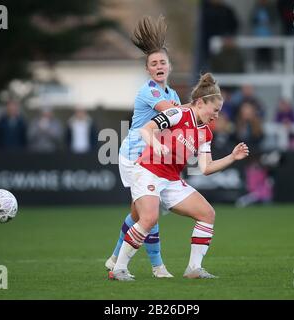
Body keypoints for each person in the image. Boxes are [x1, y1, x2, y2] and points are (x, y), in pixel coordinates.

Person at [110, 73, 250, 281]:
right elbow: (146, 129)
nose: (216, 116)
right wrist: (156, 145)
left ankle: (194, 268)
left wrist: (232, 157)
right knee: (148, 218)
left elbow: (207, 167)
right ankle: (119, 268)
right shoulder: (178, 113)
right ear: (201, 103)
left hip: (170, 179)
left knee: (207, 214)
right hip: (147, 170)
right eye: (215, 110)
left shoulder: (205, 132)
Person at [105, 16, 182, 278]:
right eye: (154, 63)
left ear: (169, 67)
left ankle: (115, 258)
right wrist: (199, 111)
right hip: (133, 158)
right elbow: (173, 114)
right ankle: (157, 267)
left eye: (162, 62)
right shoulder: (148, 92)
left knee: (140, 215)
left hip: (151, 158)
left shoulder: (173, 94)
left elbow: (174, 125)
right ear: (148, 70)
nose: (159, 66)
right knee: (151, 215)